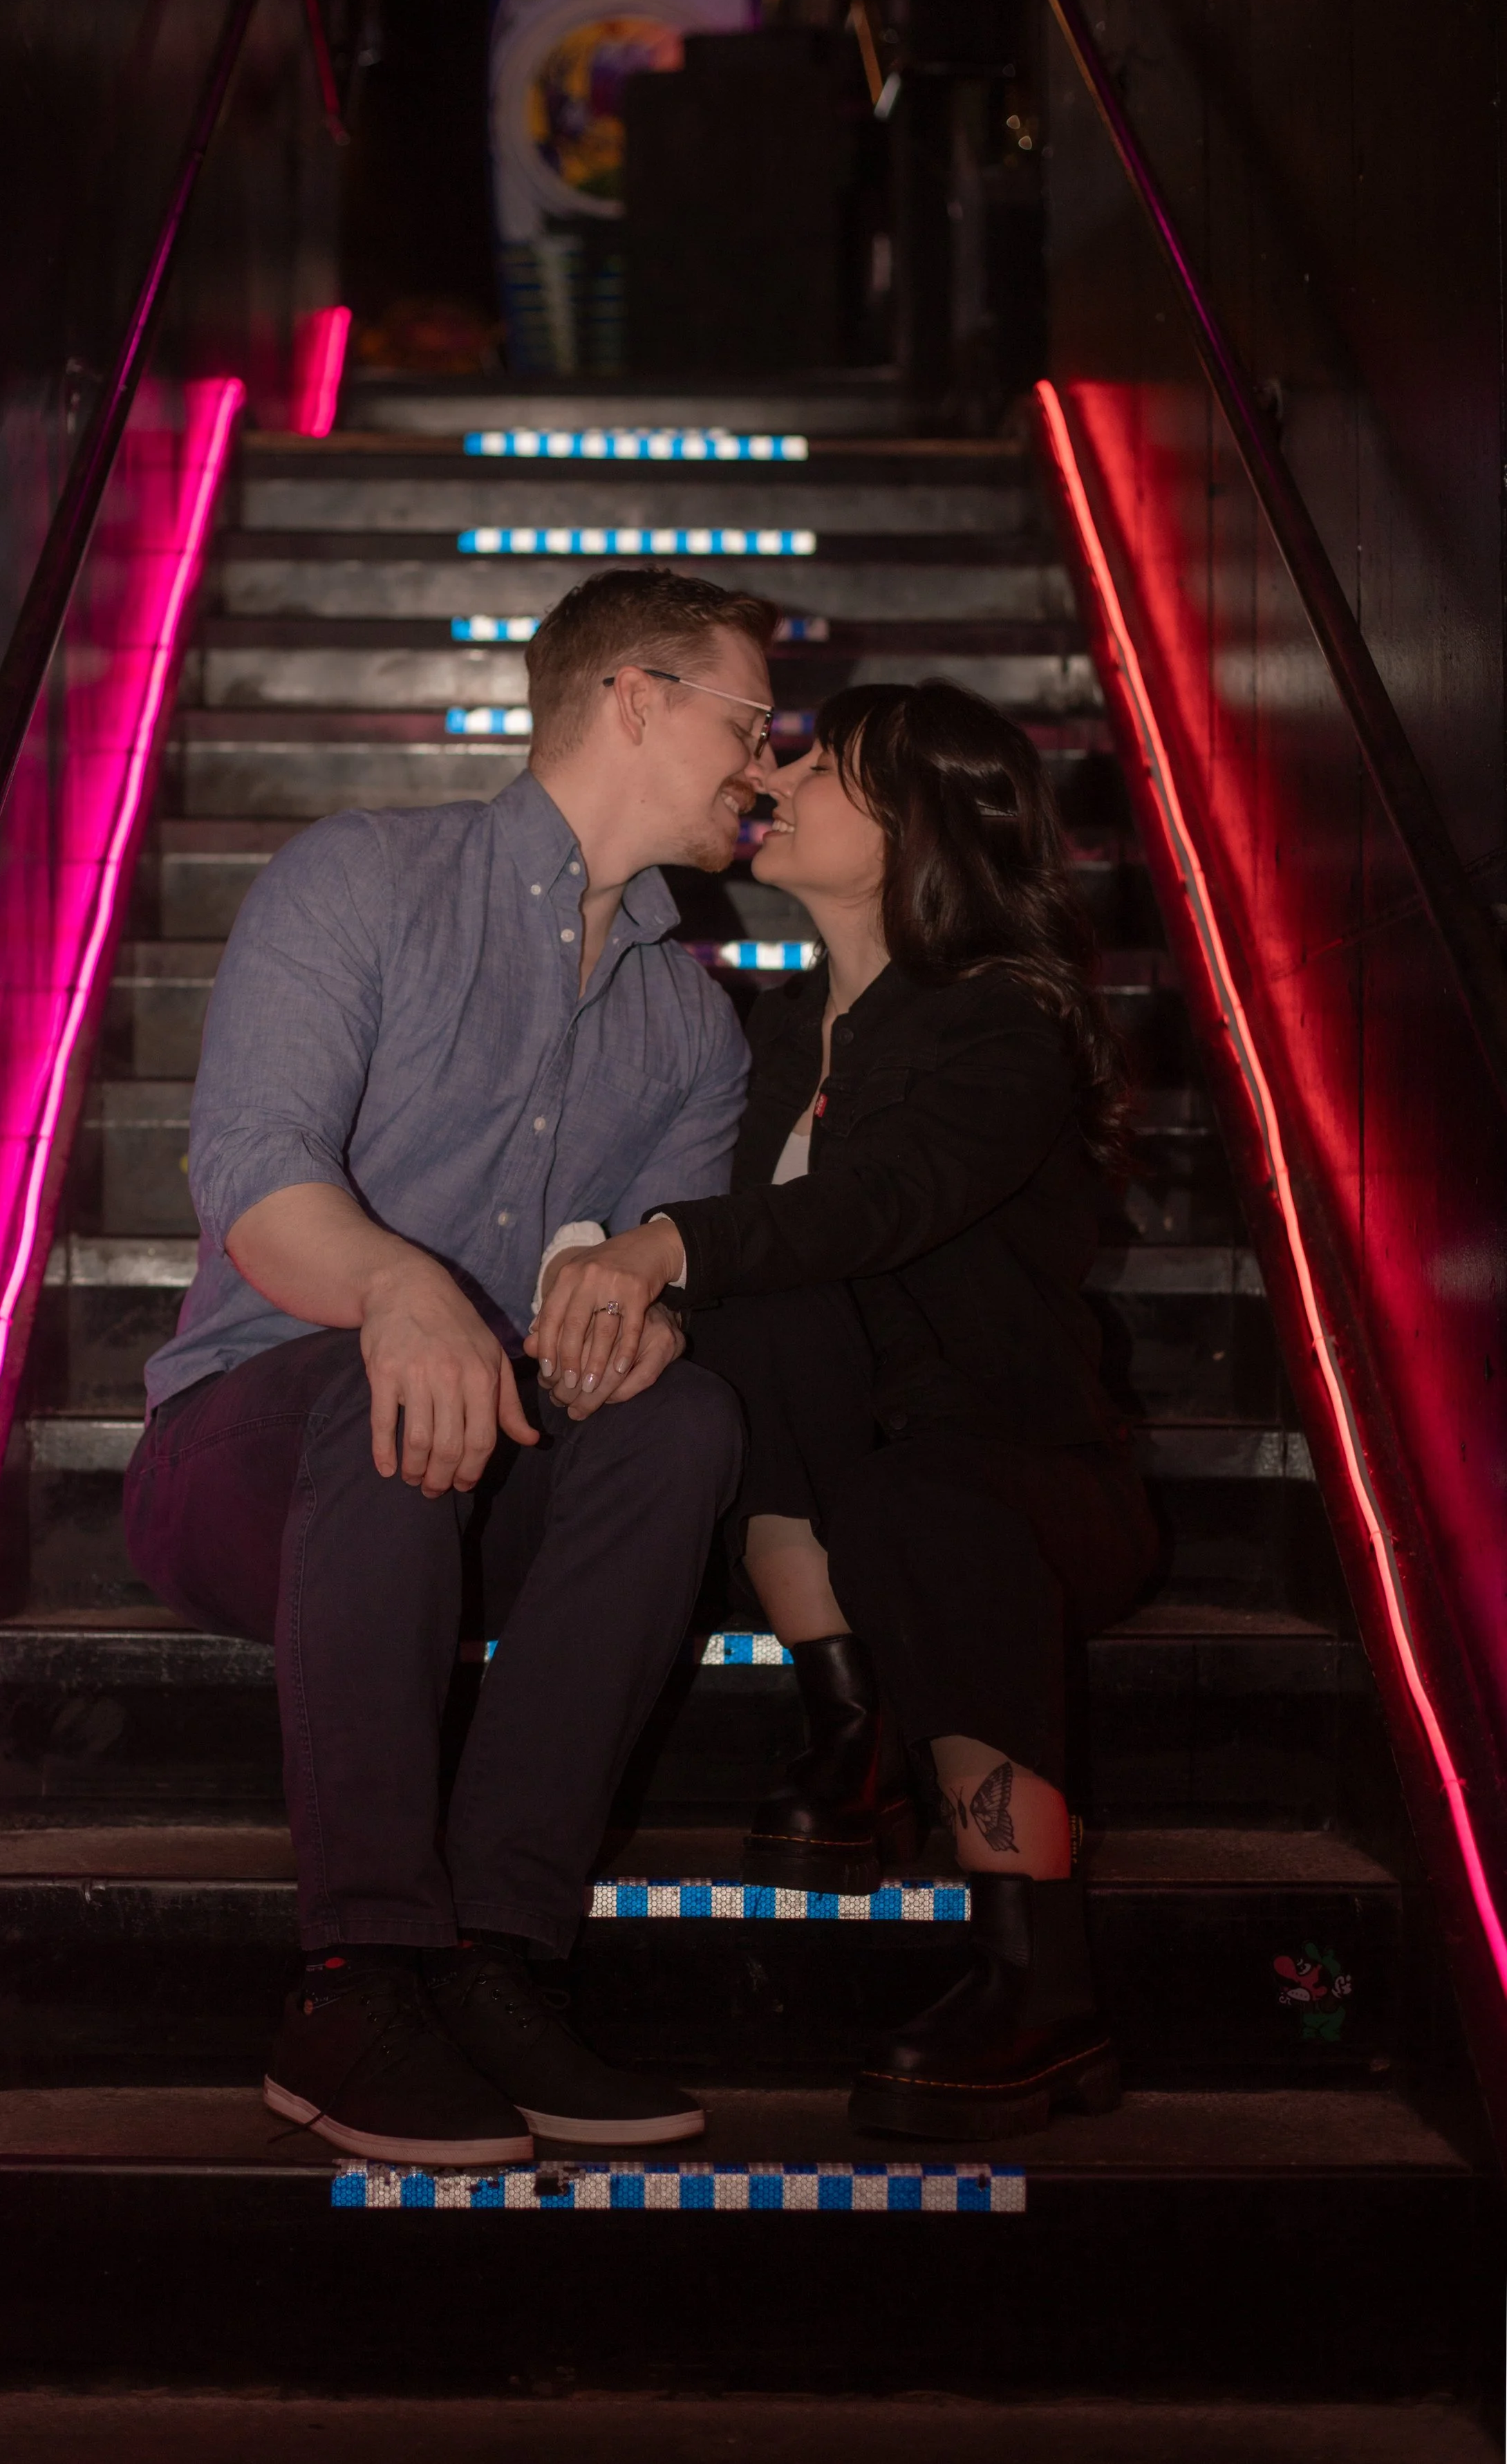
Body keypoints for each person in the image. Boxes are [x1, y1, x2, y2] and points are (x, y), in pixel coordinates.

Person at [124, 568, 780, 2167]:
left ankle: (496, 1960)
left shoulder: (694, 1032)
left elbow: (637, 1274)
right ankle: (355, 1976)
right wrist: (399, 1286)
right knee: (376, 1362)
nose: (763, 765)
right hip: (252, 1460)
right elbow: (257, 1174)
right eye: (747, 722)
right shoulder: (358, 879)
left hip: (477, 1497)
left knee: (681, 1418)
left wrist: (641, 1318)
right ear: (632, 698)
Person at [529, 682, 1161, 2141]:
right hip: (858, 1452)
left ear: (912, 828)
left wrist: (669, 1243)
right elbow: (776, 1259)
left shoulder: (1002, 1022)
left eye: (823, 764)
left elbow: (876, 1208)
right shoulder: (783, 1023)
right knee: (741, 1328)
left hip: (1021, 1469)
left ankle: (1035, 1973)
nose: (777, 773)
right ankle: (851, 1715)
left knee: (922, 1495)